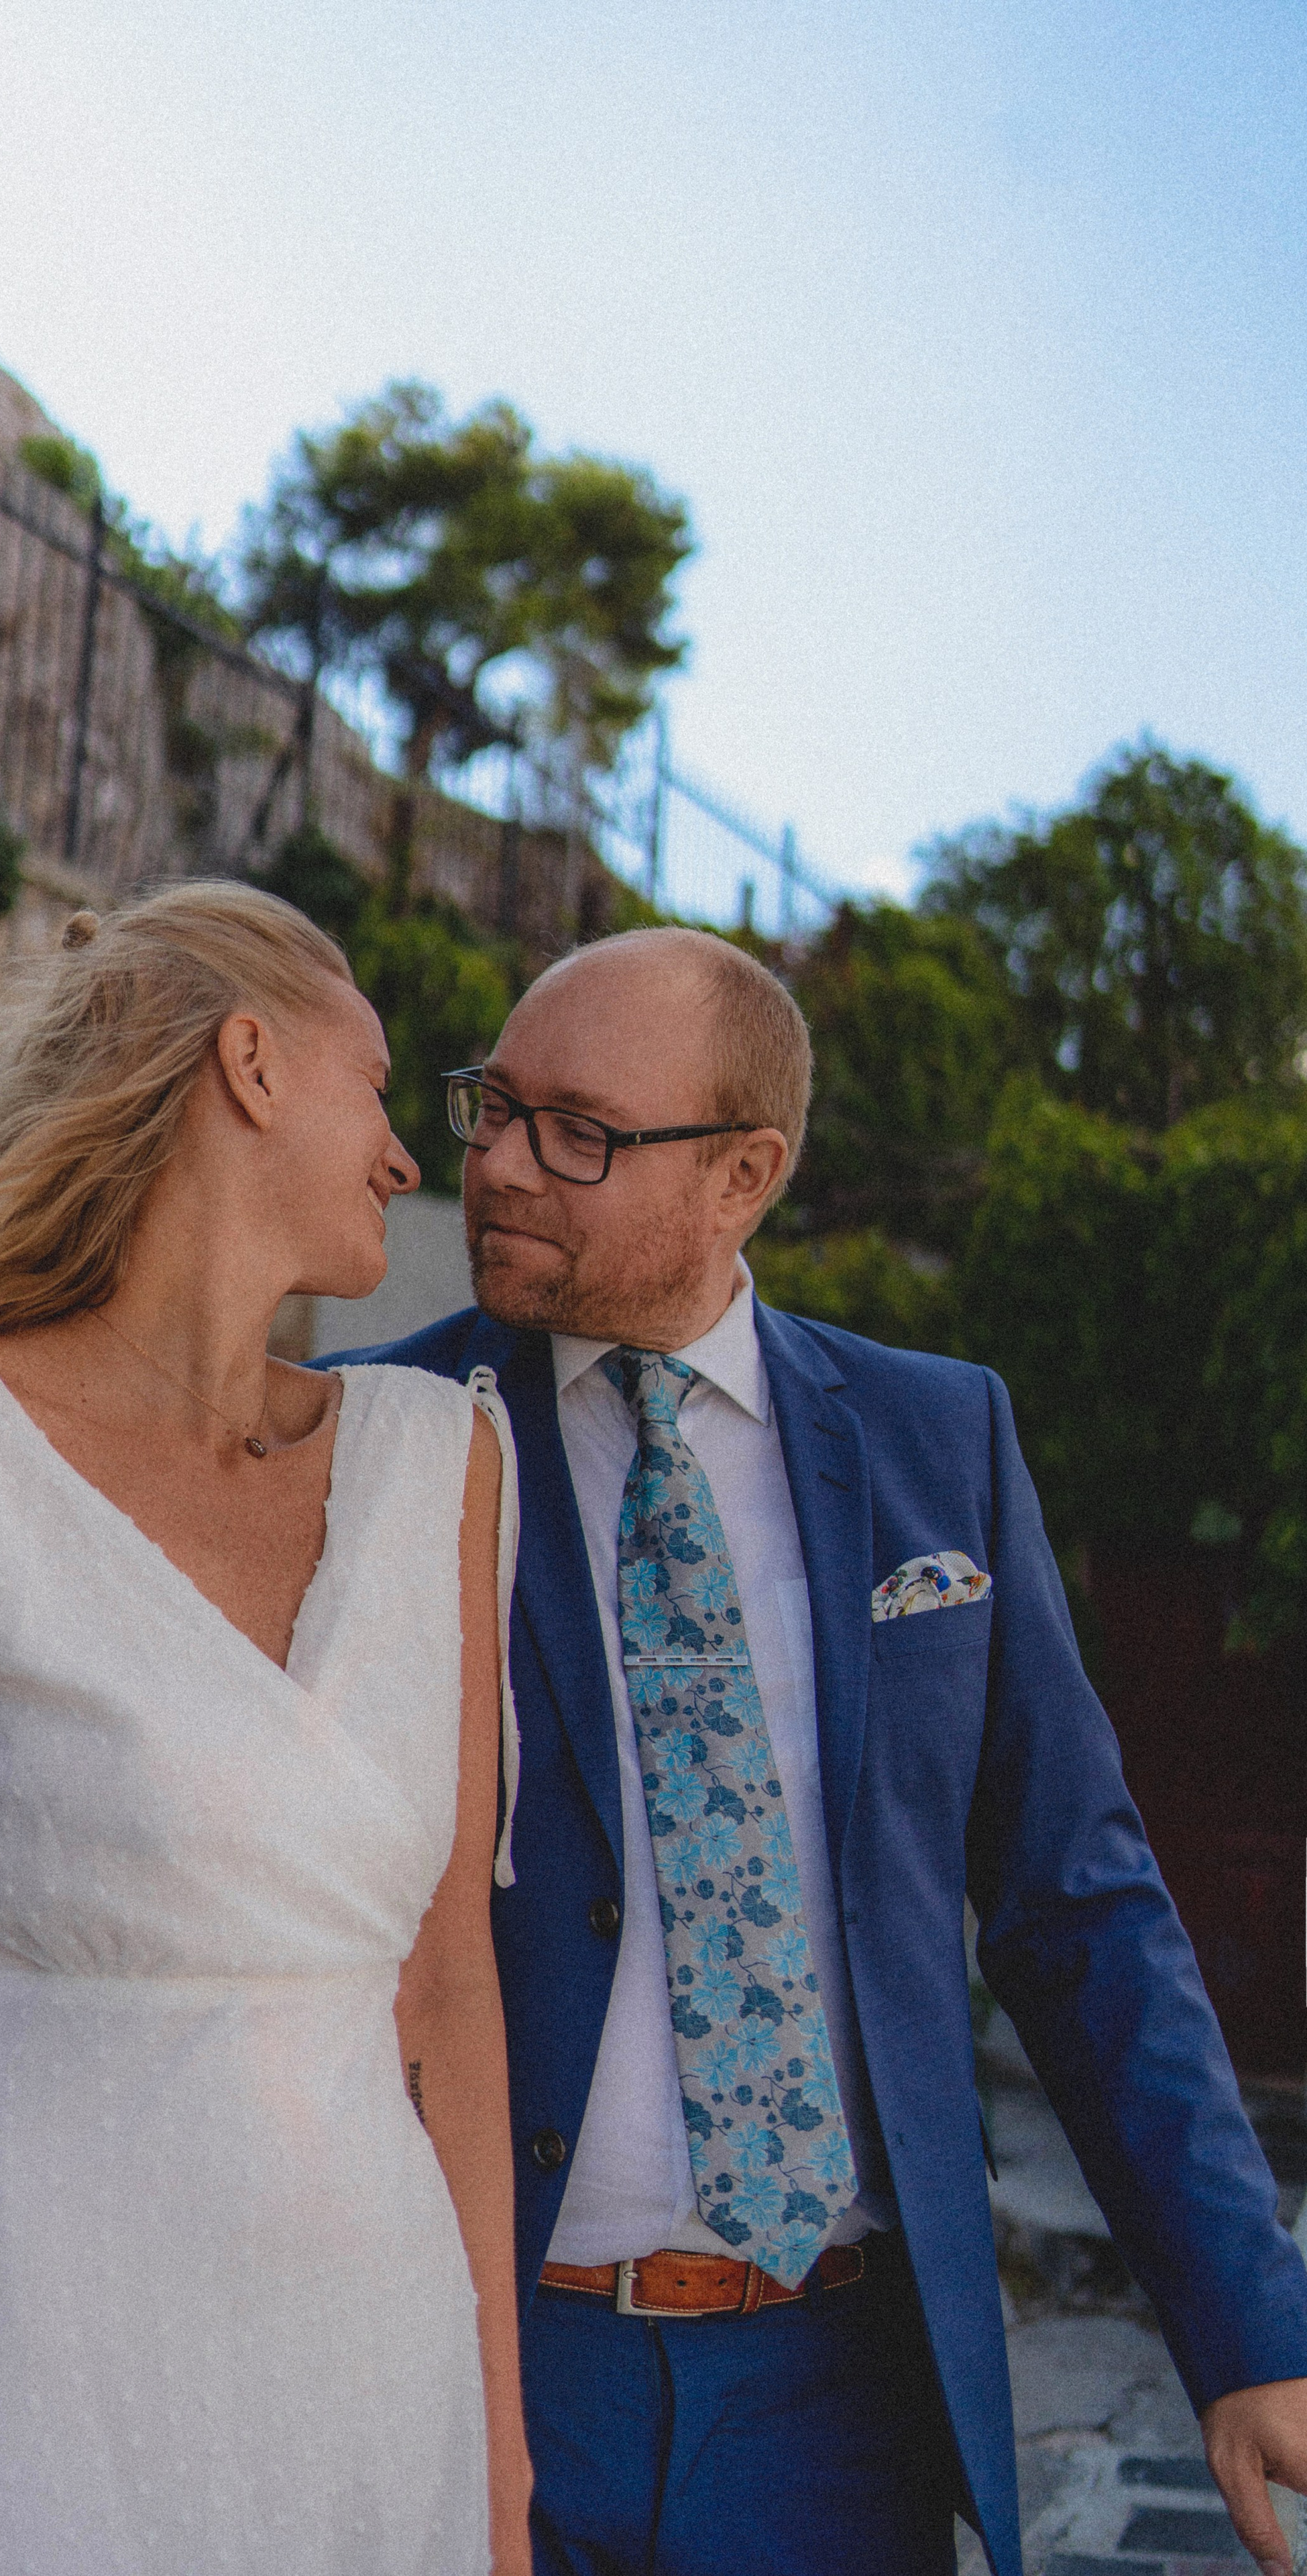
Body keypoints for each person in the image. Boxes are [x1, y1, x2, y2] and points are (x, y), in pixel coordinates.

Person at [335, 924, 1307, 2576]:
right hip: (477, 2366)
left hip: (835, 2395)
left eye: (575, 1130)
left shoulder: (940, 1442)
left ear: (742, 1175)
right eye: (489, 1105)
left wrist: (1246, 2316)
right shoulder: (373, 1435)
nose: (494, 1163)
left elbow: (1079, 1903)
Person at [0, 883, 532, 2576]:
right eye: (379, 1086)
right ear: (251, 1064)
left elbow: (447, 1995)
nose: (409, 1158)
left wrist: (495, 2483)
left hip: (363, 2403)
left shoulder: (444, 1466)